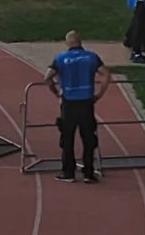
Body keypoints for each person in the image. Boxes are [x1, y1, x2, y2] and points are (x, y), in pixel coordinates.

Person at [45, 30, 110, 183]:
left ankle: (68, 172)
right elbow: (106, 74)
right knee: (88, 138)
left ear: (67, 43)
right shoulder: (91, 57)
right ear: (80, 42)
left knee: (67, 139)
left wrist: (56, 92)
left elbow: (47, 77)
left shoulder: (60, 58)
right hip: (87, 102)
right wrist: (99, 95)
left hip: (69, 103)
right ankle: (88, 172)